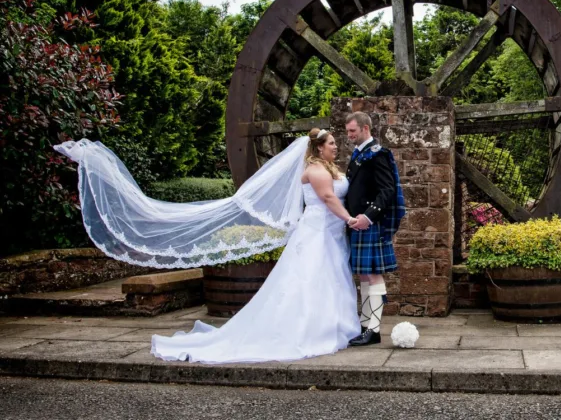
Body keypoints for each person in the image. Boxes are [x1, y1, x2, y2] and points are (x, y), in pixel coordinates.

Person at [54, 128, 362, 363]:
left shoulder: (329, 168)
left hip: (328, 233)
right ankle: (312, 330)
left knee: (329, 280)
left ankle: (334, 326)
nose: (336, 146)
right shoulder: (318, 171)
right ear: (319, 148)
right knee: (312, 281)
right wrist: (349, 219)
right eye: (332, 143)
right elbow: (328, 199)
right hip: (318, 233)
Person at [343, 112, 403, 346]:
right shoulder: (360, 154)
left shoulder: (378, 154)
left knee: (373, 273)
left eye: (352, 131)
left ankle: (374, 329)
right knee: (365, 275)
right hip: (357, 224)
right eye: (348, 131)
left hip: (370, 223)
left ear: (365, 128)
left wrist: (368, 217)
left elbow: (387, 190)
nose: (349, 136)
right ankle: (366, 323)